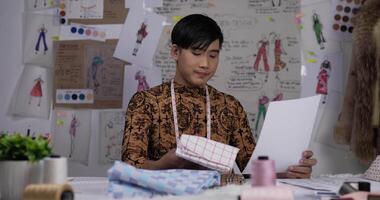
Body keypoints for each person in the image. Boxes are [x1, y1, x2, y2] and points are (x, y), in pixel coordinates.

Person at [122, 14, 316, 179]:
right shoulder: (145, 102)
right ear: (175, 51)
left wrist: (288, 170)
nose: (205, 63)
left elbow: (251, 168)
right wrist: (162, 165)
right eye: (196, 53)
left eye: (213, 55)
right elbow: (129, 167)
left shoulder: (229, 105)